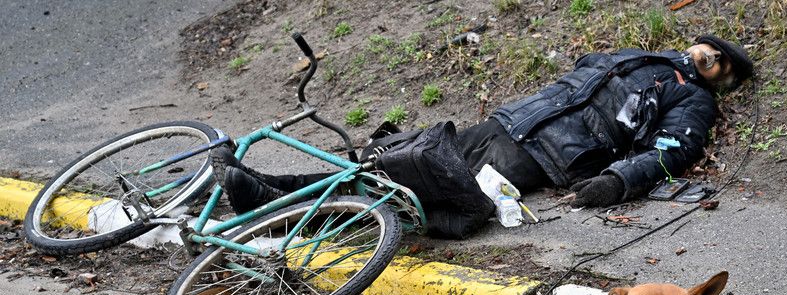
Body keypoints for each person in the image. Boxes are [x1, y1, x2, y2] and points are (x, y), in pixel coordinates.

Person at [218, 34, 752, 218]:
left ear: (722, 79)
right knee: (394, 162)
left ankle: (277, 205)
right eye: (709, 49)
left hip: (541, 157)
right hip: (507, 123)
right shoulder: (645, 57)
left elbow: (670, 151)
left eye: (720, 62)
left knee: (419, 195)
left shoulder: (692, 101)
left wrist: (617, 181)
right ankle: (274, 193)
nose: (709, 56)